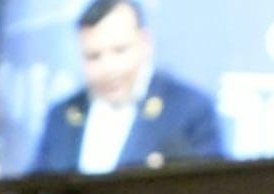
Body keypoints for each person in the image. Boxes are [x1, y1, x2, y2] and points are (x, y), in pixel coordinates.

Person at [31, 0, 222, 175]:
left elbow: (211, 190)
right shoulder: (60, 117)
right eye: (93, 56)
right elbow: (35, 191)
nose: (108, 68)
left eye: (119, 50)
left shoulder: (190, 110)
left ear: (145, 43)